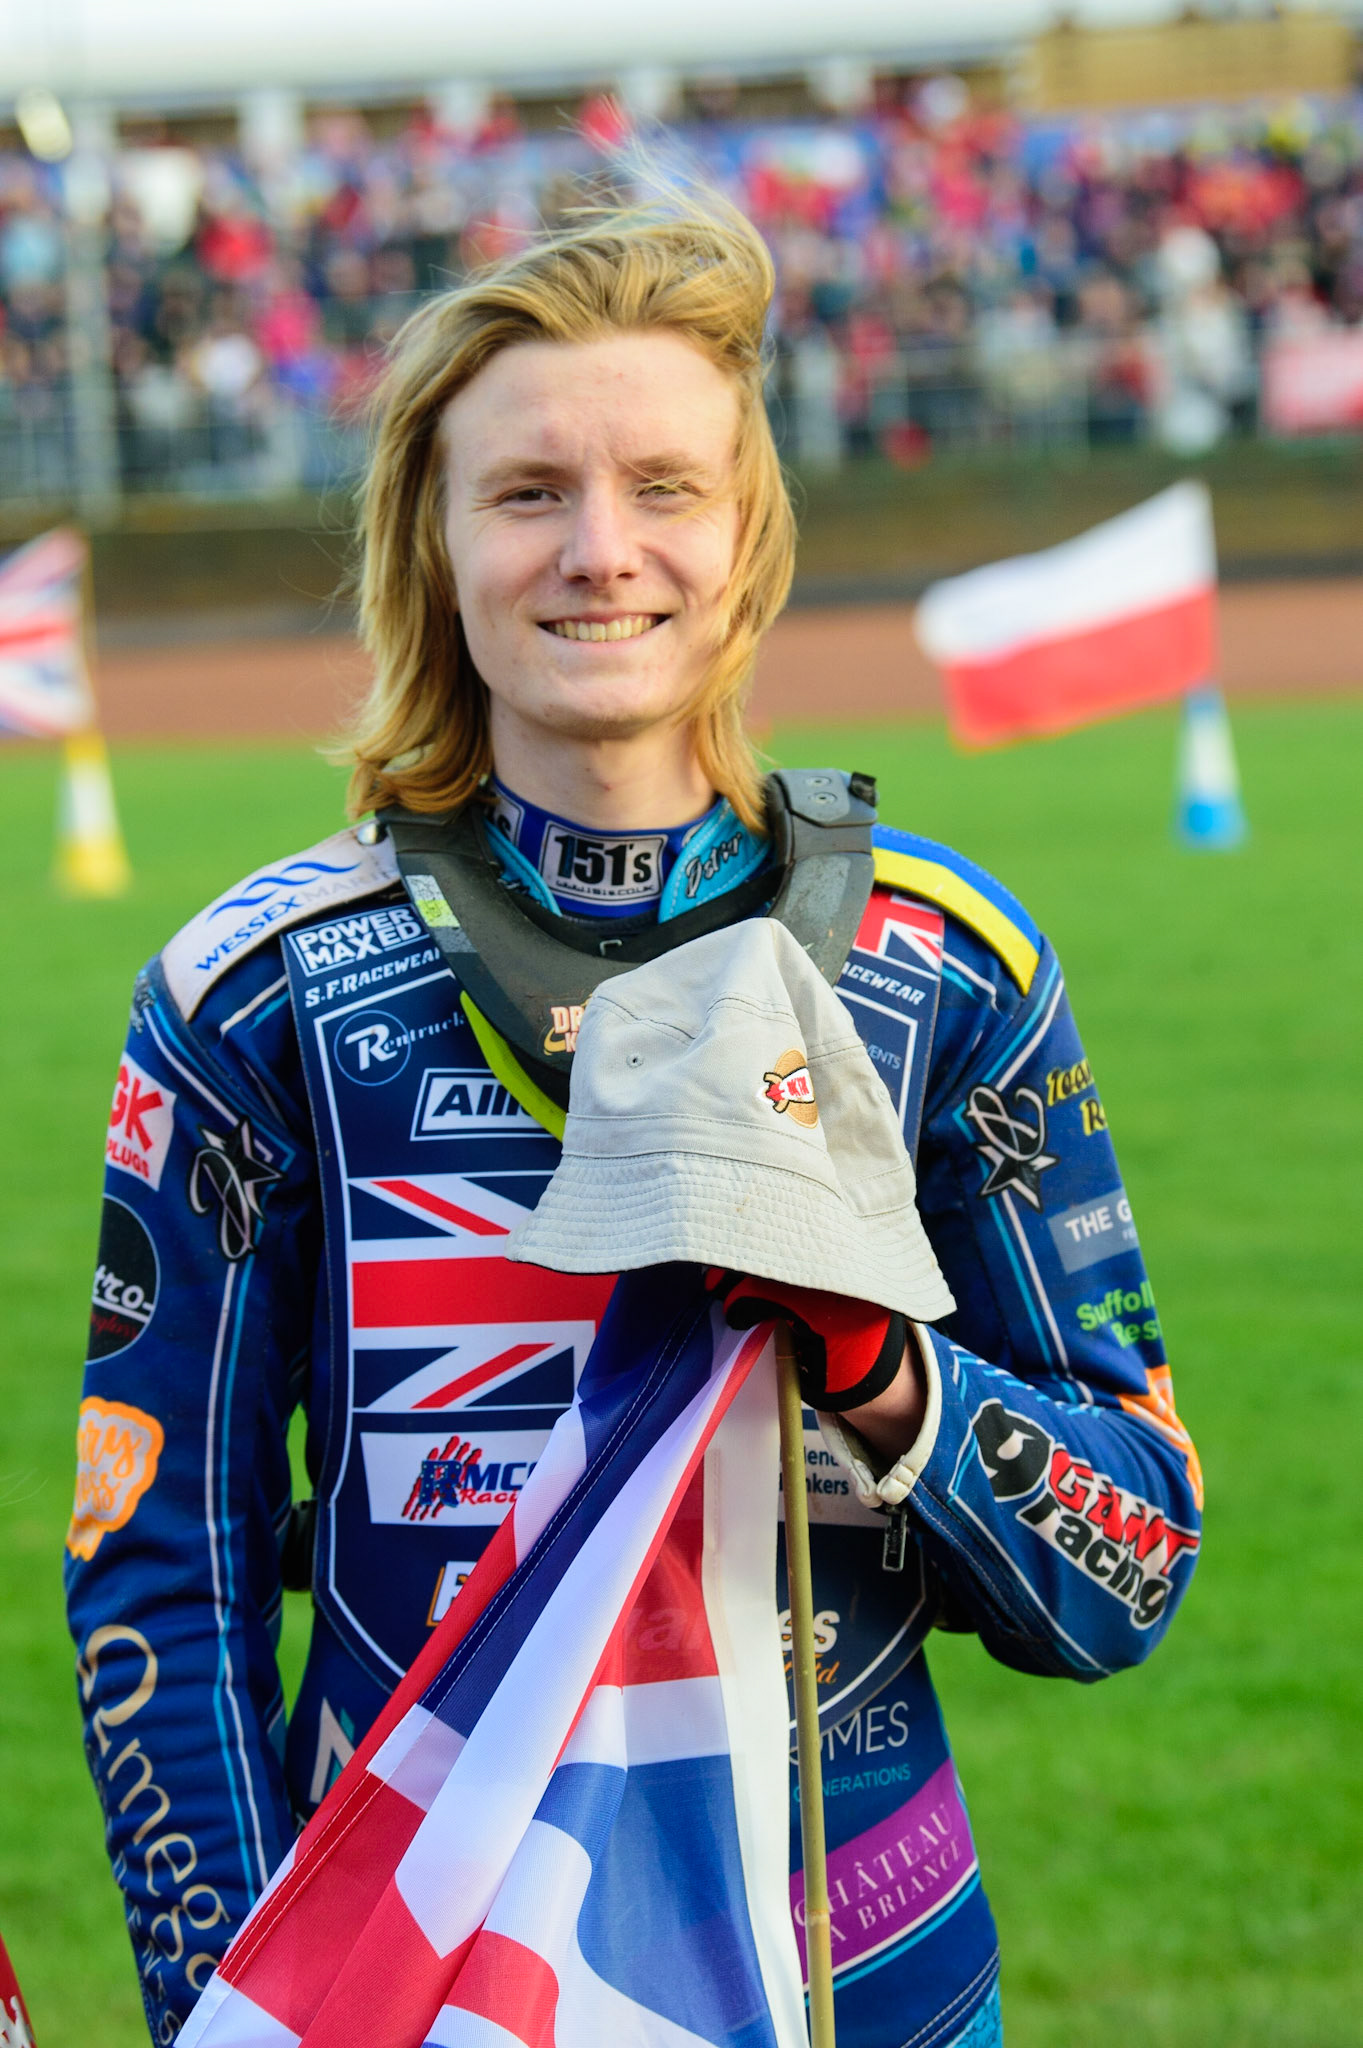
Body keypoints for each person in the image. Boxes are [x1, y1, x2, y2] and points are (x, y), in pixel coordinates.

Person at [65, 187, 1202, 2048]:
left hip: (872, 1982)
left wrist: (885, 1372)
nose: (603, 551)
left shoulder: (949, 966)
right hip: (417, 1985)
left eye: (663, 485)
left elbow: (1135, 1562)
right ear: (432, 547)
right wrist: (240, 2005)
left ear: (746, 533)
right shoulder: (246, 994)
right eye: (528, 494)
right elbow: (156, 1582)